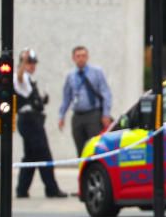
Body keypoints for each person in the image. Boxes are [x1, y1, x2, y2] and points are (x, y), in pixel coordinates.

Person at [14, 49, 68, 199]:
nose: (32, 66)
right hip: (29, 122)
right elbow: (18, 78)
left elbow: (32, 99)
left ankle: (22, 190)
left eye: (33, 63)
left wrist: (42, 100)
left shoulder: (29, 80)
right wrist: (22, 62)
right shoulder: (21, 77)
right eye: (29, 62)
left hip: (32, 120)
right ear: (23, 63)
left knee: (30, 157)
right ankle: (51, 189)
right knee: (45, 155)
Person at [58, 45, 113, 156]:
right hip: (78, 116)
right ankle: (83, 171)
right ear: (73, 58)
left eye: (83, 56)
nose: (81, 58)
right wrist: (61, 116)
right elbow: (66, 98)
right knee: (80, 149)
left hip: (93, 114)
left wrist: (106, 114)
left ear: (87, 57)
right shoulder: (71, 76)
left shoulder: (97, 72)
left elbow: (106, 93)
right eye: (78, 56)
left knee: (96, 147)